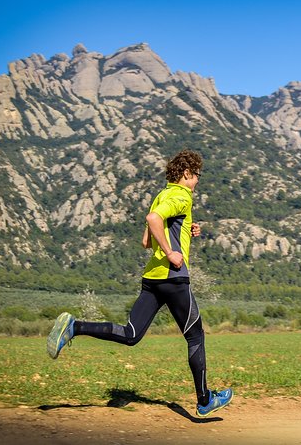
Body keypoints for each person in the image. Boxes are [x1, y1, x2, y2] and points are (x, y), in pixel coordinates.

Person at [46, 149, 233, 418]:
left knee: (131, 334)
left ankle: (74, 326)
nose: (198, 182)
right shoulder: (182, 196)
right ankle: (205, 400)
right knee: (195, 336)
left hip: (153, 278)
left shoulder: (162, 195)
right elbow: (153, 220)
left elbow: (146, 240)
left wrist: (185, 230)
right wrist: (172, 253)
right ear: (187, 173)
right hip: (174, 277)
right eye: (197, 176)